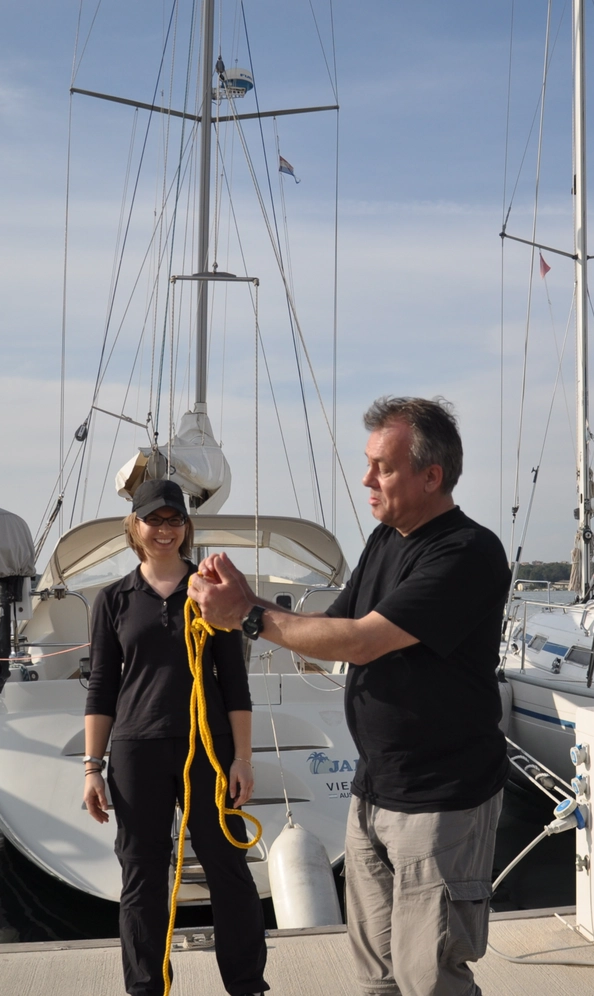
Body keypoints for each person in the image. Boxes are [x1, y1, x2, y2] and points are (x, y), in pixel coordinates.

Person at [190, 396, 510, 996]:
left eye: (382, 467)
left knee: (429, 978)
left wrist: (249, 619)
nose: (366, 479)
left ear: (430, 475)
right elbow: (329, 631)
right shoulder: (386, 540)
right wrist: (245, 603)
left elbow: (363, 642)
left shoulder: (466, 552)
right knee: (376, 977)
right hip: (375, 793)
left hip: (441, 801)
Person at [83, 478, 268, 996]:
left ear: (185, 528)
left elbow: (235, 683)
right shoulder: (114, 599)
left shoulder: (212, 595)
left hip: (208, 750)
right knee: (141, 876)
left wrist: (244, 758)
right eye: (153, 520)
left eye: (174, 521)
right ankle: (146, 988)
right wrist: (92, 767)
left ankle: (247, 984)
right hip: (136, 752)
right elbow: (101, 688)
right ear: (135, 527)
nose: (164, 530)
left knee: (226, 866)